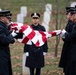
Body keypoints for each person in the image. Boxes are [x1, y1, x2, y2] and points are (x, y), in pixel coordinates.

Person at [59, 6, 76, 75]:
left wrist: (65, 34)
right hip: (71, 50)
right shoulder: (73, 23)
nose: (70, 16)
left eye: (71, 14)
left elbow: (72, 36)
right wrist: (64, 35)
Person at [0, 10, 16, 75]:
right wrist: (12, 36)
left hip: (4, 53)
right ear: (2, 18)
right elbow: (4, 40)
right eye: (7, 17)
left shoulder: (3, 26)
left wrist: (11, 36)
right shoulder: (0, 27)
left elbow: (10, 40)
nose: (9, 19)